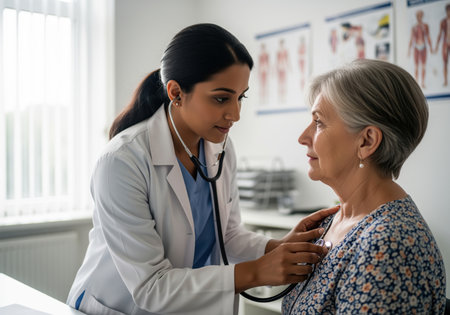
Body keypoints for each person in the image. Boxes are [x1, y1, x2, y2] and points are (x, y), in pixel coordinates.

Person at [66, 23, 338, 315]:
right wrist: (257, 272)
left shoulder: (219, 148)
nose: (235, 114)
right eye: (221, 98)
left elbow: (228, 236)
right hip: (118, 307)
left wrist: (278, 247)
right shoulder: (122, 162)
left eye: (240, 97)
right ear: (176, 93)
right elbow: (151, 287)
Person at [282, 59, 446, 314]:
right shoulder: (329, 224)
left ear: (367, 141)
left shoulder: (388, 246)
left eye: (319, 123)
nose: (302, 138)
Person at [408, 10, 433, 88]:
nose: (419, 17)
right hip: (416, 47)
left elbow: (428, 37)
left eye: (420, 15)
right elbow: (412, 39)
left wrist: (431, 47)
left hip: (423, 46)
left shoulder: (425, 26)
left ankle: (422, 82)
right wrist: (409, 50)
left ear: (422, 16)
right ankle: (416, 83)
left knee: (423, 66)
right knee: (416, 66)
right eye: (418, 16)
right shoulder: (414, 27)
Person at [435, 3, 450, 86]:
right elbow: (440, 34)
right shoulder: (443, 22)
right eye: (448, 11)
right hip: (445, 42)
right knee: (445, 62)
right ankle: (445, 81)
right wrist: (437, 46)